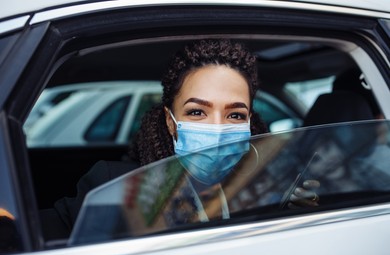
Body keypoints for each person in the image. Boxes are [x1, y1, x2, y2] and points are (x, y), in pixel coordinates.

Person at [40, 39, 319, 240]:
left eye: (235, 115)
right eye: (197, 112)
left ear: (249, 122)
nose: (218, 129)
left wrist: (295, 220)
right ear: (170, 122)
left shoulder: (265, 191)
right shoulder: (115, 185)